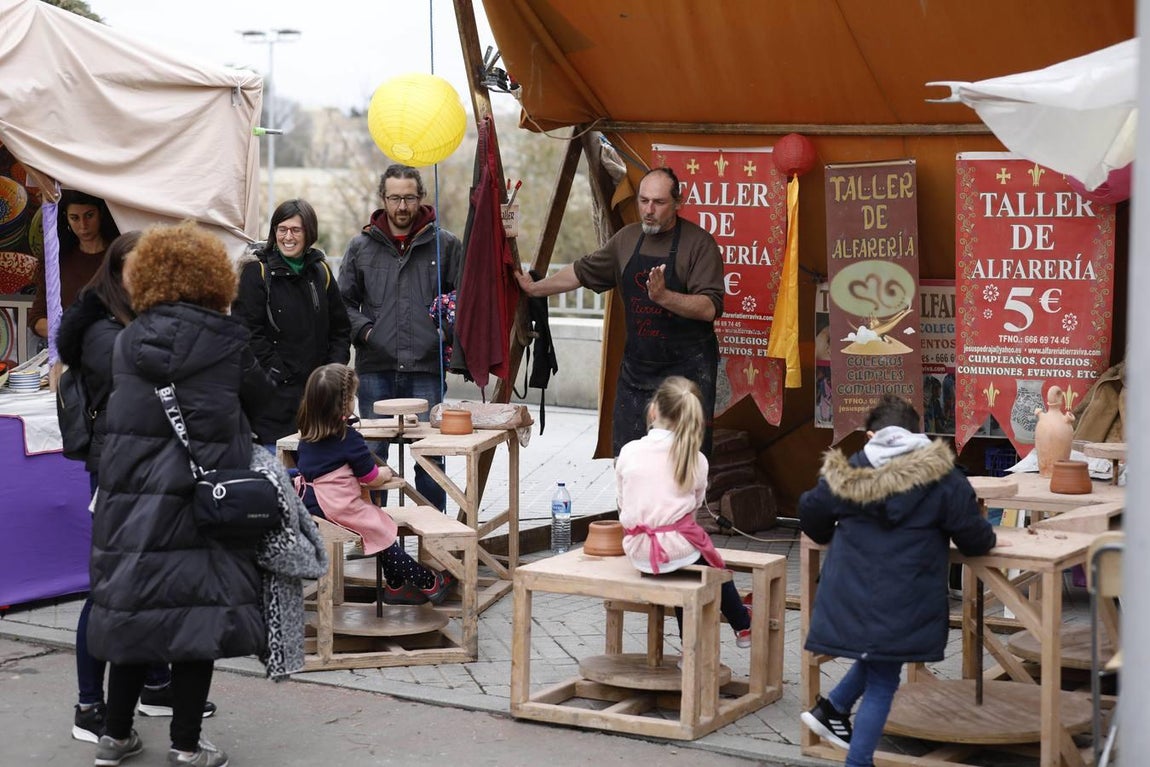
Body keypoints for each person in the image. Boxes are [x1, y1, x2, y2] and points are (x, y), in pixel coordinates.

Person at [88, 221, 274, 767]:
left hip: (134, 502)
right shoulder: (229, 340)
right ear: (215, 277)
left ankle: (115, 736)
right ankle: (187, 746)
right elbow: (268, 406)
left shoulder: (127, 342)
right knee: (199, 617)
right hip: (203, 502)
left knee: (135, 613)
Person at [55, 232, 216, 744]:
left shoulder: (137, 317)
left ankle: (153, 683)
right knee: (111, 588)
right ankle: (89, 706)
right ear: (117, 271)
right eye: (141, 269)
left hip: (156, 467)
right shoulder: (100, 328)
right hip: (121, 469)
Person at [798, 394, 998, 767]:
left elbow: (811, 513)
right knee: (884, 678)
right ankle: (856, 760)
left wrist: (835, 529)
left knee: (880, 658)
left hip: (850, 593)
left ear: (871, 436)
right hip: (907, 597)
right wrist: (990, 538)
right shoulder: (944, 477)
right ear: (917, 432)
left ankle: (833, 709)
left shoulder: (849, 471)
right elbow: (974, 538)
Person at [515, 167, 724, 456]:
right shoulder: (626, 240)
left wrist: (664, 297)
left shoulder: (699, 245)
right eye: (643, 201)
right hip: (637, 371)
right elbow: (580, 271)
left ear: (678, 203)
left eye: (659, 202)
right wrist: (536, 290)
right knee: (628, 456)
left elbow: (709, 307)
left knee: (682, 463)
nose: (648, 210)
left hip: (686, 374)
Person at [337, 164, 463, 510]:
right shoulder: (360, 247)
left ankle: (433, 542)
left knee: (430, 461)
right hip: (376, 367)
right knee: (372, 460)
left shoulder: (445, 245)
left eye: (409, 197)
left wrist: (440, 334)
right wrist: (367, 331)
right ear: (383, 199)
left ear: (420, 197)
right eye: (395, 198)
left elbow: (465, 299)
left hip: (426, 369)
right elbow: (341, 302)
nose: (402, 206)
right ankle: (375, 539)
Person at [294, 363, 457, 606]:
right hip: (334, 504)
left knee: (378, 526)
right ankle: (428, 582)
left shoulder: (307, 433)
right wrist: (383, 473)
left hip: (309, 502)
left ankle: (395, 586)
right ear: (344, 404)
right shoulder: (348, 438)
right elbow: (369, 478)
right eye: (353, 397)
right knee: (381, 531)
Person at [617, 376, 752, 648]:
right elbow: (695, 503)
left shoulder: (629, 451)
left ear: (653, 410)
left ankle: (697, 645)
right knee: (714, 567)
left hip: (638, 550)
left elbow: (622, 502)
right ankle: (742, 625)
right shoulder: (696, 459)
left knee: (685, 571)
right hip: (678, 551)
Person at [233, 198, 351, 448]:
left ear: (309, 233)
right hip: (272, 403)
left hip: (318, 401)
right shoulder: (257, 272)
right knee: (281, 477)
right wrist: (278, 374)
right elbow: (247, 334)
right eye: (282, 229)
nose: (288, 237)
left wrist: (331, 375)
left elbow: (340, 330)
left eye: (296, 230)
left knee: (318, 479)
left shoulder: (321, 271)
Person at [30, 190, 121, 339]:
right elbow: (36, 318)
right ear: (66, 219)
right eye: (75, 218)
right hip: (71, 351)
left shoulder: (119, 257)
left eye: (89, 215)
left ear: (101, 213)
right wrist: (68, 330)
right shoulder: (58, 260)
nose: (83, 226)